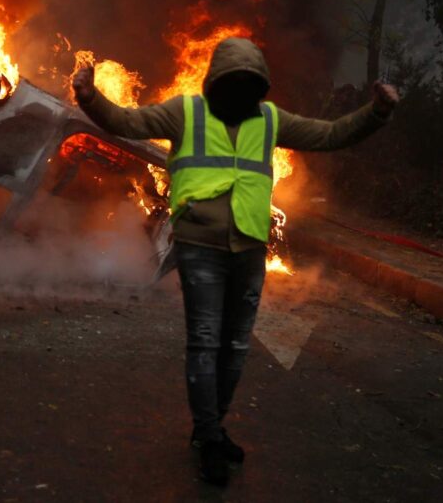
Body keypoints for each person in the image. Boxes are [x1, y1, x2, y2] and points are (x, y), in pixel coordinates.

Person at [72, 37, 399, 485]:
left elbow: (329, 134)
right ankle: (209, 440)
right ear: (215, 82)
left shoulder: (268, 120)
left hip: (248, 249)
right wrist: (89, 98)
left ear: (260, 86)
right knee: (205, 343)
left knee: (236, 349)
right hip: (199, 248)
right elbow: (127, 122)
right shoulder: (185, 112)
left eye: (250, 85)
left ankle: (211, 427)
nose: (241, 92)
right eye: (233, 83)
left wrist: (376, 114)